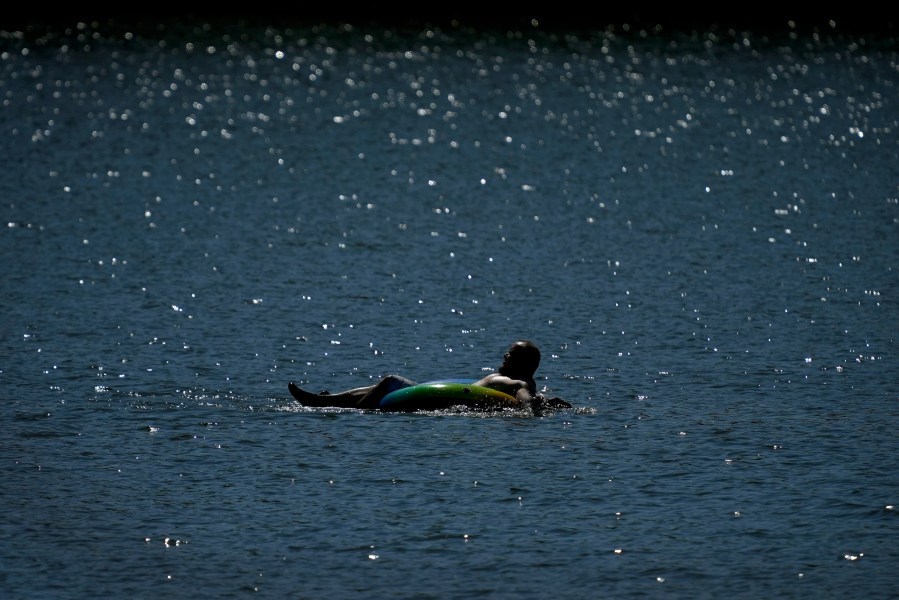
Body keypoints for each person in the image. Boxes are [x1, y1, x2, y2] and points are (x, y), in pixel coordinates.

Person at [288, 340, 570, 413]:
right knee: (383, 386)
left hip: (441, 399)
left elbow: (524, 395)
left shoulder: (517, 381)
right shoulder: (514, 378)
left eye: (510, 354)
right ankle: (327, 402)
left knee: (389, 382)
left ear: (521, 362)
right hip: (445, 395)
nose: (504, 356)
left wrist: (531, 404)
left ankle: (356, 414)